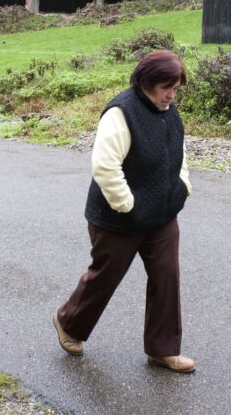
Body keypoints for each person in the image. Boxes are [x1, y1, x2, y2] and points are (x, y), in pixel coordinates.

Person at [53, 49, 195, 373]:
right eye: (166, 88)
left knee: (167, 275)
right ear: (147, 83)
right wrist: (128, 206)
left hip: (161, 215)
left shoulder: (169, 111)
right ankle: (68, 323)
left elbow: (178, 152)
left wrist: (182, 185)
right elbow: (105, 167)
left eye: (175, 88)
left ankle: (163, 350)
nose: (172, 95)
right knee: (106, 276)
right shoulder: (121, 113)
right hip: (118, 218)